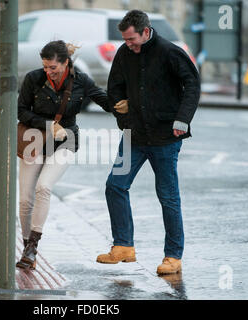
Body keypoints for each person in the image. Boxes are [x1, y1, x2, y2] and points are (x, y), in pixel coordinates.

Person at [96, 10, 200, 275]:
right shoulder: (124, 53)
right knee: (115, 186)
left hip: (166, 138)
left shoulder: (170, 51)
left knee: (167, 196)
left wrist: (183, 118)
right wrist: (119, 106)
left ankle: (173, 257)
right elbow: (114, 86)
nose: (128, 44)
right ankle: (123, 246)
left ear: (145, 31)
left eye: (132, 39)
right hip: (134, 136)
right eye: (125, 39)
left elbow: (192, 83)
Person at [16, 40, 110, 270]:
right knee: (25, 199)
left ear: (65, 63)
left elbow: (104, 100)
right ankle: (27, 246)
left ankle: (32, 247)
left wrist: (125, 104)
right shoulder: (33, 79)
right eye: (45, 67)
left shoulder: (81, 81)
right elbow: (21, 111)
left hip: (65, 141)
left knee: (44, 187)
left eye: (53, 68)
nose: (48, 72)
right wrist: (48, 125)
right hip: (34, 140)